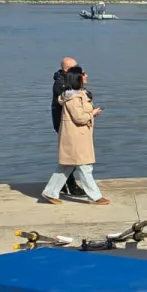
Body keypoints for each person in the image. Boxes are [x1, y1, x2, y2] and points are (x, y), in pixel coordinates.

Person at [42, 65, 109, 205]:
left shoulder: (78, 94)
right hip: (76, 137)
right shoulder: (73, 98)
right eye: (84, 74)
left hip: (77, 136)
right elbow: (79, 118)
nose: (86, 75)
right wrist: (93, 113)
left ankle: (50, 192)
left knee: (67, 165)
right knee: (85, 167)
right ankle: (95, 197)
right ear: (77, 77)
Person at [52, 57, 86, 198]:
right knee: (71, 156)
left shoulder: (67, 81)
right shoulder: (60, 83)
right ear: (66, 69)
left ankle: (62, 186)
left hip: (70, 123)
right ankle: (68, 185)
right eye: (74, 67)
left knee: (71, 156)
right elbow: (70, 99)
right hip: (65, 124)